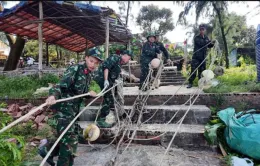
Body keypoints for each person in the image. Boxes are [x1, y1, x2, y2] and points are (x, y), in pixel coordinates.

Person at [38, 48, 103, 166]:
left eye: (96, 63)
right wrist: (52, 96)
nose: (93, 65)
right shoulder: (75, 69)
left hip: (73, 110)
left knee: (65, 136)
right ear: (86, 58)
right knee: (70, 140)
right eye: (91, 61)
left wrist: (90, 94)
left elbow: (79, 93)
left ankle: (46, 150)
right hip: (64, 109)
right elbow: (59, 85)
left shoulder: (88, 73)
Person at [94, 50, 133, 128]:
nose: (129, 60)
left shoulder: (119, 63)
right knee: (107, 98)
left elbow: (114, 73)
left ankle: (115, 115)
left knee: (111, 99)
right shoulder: (115, 57)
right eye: (129, 58)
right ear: (125, 55)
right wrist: (105, 80)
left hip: (110, 81)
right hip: (102, 78)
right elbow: (106, 68)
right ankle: (100, 120)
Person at [187, 24, 215, 88]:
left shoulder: (206, 37)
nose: (202, 30)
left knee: (202, 72)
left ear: (204, 30)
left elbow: (209, 46)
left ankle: (201, 83)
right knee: (193, 71)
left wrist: (212, 43)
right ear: (199, 30)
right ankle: (190, 83)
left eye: (203, 29)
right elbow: (201, 44)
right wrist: (209, 41)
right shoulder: (196, 38)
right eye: (200, 29)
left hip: (203, 58)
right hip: (196, 58)